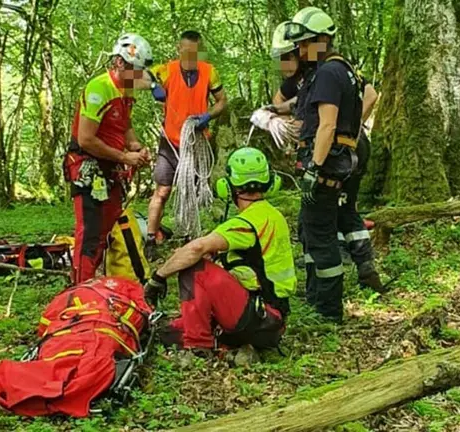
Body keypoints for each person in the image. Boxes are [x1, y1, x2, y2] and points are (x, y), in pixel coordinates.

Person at [143, 148, 295, 350]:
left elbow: (196, 248)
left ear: (228, 186)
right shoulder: (271, 215)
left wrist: (158, 277)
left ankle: (198, 346)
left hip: (258, 317)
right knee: (168, 331)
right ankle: (208, 336)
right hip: (270, 319)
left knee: (193, 267)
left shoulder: (247, 222)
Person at [285, 7, 381, 322]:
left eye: (304, 44)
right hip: (338, 162)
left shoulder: (327, 72)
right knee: (316, 227)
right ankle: (318, 297)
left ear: (322, 40)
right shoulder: (343, 69)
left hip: (326, 166)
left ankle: (327, 310)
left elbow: (326, 125)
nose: (299, 51)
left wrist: (314, 167)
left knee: (319, 232)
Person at [63, 33, 153, 283]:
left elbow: (124, 127)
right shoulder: (100, 88)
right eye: (136, 70)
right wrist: (124, 155)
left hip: (110, 170)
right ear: (121, 63)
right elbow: (86, 139)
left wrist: (136, 147)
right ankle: (81, 287)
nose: (138, 76)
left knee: (110, 227)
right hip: (87, 168)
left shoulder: (125, 93)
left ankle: (104, 283)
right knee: (90, 232)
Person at [145, 30, 228, 257]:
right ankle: (150, 239)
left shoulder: (209, 72)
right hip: (170, 142)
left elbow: (222, 101)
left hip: (196, 143)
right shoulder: (167, 70)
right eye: (187, 52)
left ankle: (191, 237)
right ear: (179, 49)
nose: (192, 58)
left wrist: (209, 116)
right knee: (162, 191)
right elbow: (139, 75)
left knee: (192, 191)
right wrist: (153, 86)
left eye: (196, 53)